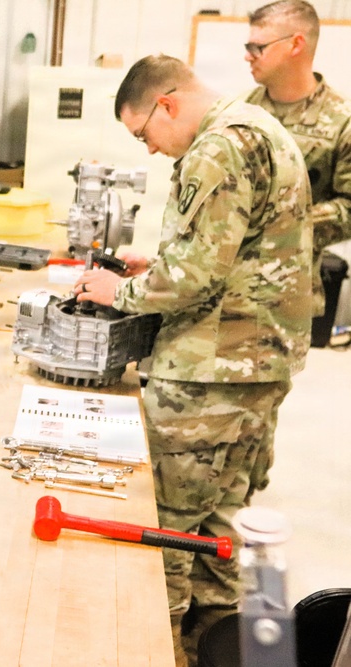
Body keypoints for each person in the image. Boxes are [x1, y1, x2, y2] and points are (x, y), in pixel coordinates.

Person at [73, 55, 312, 667]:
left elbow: (199, 274)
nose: (150, 150)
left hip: (208, 374)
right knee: (224, 517)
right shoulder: (261, 127)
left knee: (168, 527)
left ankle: (157, 648)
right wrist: (151, 271)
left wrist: (118, 293)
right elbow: (239, 257)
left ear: (168, 105)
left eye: (143, 134)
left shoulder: (217, 147)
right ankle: (215, 644)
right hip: (257, 365)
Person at [245, 0, 351, 316]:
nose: (247, 55)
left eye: (257, 47)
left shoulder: (341, 122)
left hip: (286, 298)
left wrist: (290, 222)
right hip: (220, 291)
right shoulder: (239, 113)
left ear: (296, 45)